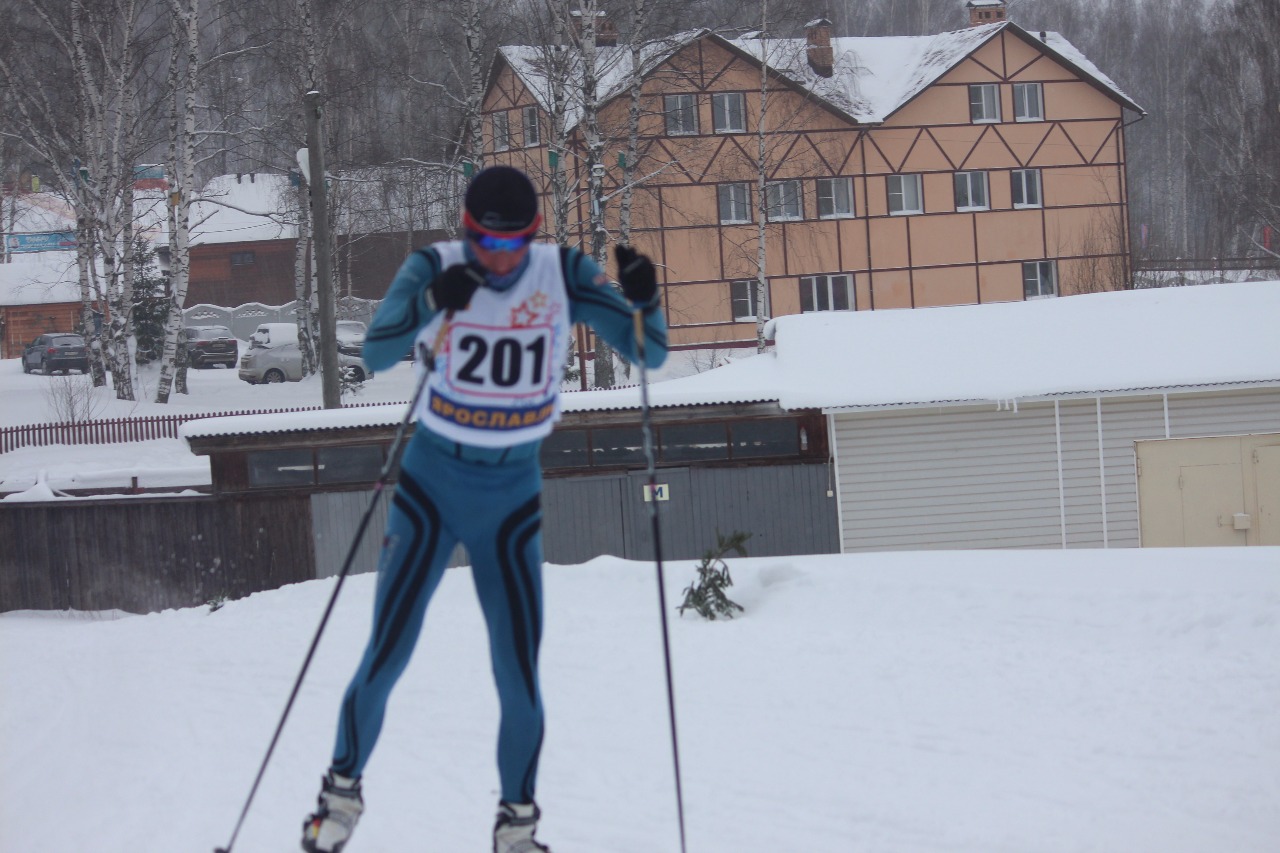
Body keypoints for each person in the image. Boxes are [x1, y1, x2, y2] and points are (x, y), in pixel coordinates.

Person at [302, 165, 667, 853]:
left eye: (511, 245)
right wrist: (431, 300)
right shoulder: (434, 265)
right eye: (482, 242)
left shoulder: (560, 273)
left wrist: (646, 298)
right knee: (387, 651)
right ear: (466, 228)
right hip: (430, 490)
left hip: (511, 499)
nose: (496, 259)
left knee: (519, 669)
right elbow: (376, 351)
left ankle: (517, 824)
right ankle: (339, 797)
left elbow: (649, 349)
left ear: (532, 236)